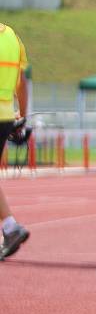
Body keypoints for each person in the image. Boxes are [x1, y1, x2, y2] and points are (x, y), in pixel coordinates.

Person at [0, 22, 30, 260]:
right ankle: (10, 227)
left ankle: (10, 227)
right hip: (6, 116)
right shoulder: (12, 36)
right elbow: (21, 81)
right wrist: (22, 115)